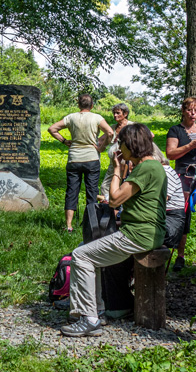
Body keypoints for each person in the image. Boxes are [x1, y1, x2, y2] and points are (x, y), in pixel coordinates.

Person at [61, 123, 167, 337]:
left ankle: (89, 319)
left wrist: (117, 169)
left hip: (138, 236)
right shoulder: (152, 166)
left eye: (122, 144)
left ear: (132, 145)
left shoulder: (146, 168)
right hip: (145, 233)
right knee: (86, 249)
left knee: (80, 256)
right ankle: (96, 310)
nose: (119, 148)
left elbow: (115, 200)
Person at [48, 94, 115, 234]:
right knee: (92, 191)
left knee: (72, 191)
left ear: (79, 105)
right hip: (91, 158)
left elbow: (52, 129)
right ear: (92, 106)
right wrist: (102, 147)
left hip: (74, 158)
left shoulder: (71, 117)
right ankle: (91, 224)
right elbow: (109, 132)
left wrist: (65, 141)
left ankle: (68, 225)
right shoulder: (96, 117)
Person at [165, 97, 196, 271]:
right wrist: (190, 146)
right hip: (184, 176)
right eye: (190, 110)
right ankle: (180, 256)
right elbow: (170, 154)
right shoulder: (176, 130)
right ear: (183, 111)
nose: (193, 114)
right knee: (183, 217)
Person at [155, 146, 188, 250]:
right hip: (161, 220)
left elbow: (161, 201)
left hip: (170, 223)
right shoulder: (158, 171)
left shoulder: (166, 172)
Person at [99, 103, 134, 200]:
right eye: (114, 113)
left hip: (129, 163)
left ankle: (120, 209)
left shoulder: (132, 125)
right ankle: (108, 208)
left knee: (125, 186)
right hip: (114, 163)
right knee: (105, 186)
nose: (115, 115)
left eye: (118, 113)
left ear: (125, 113)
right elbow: (101, 140)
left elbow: (150, 135)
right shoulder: (113, 128)